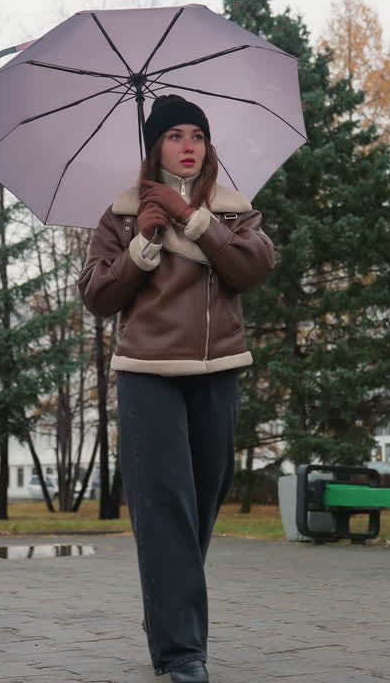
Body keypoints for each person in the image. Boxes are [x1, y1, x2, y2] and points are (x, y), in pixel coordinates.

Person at [78, 94, 276, 683]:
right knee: (165, 508)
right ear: (154, 147)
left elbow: (252, 269)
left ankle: (167, 613)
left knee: (202, 504)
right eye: (174, 136)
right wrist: (141, 245)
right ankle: (181, 651)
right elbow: (97, 297)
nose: (188, 146)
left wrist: (192, 219)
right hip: (148, 373)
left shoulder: (235, 212)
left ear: (208, 147)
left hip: (217, 370)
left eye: (197, 135)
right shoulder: (121, 216)